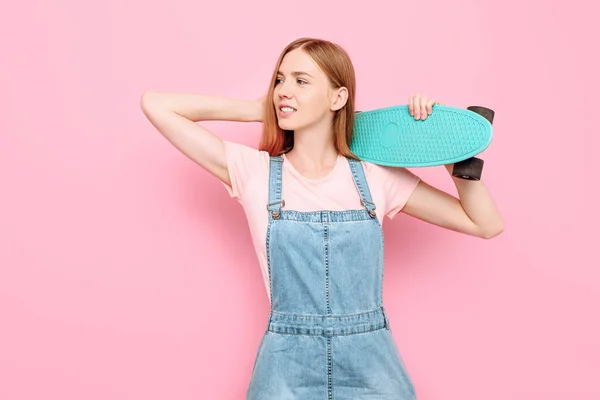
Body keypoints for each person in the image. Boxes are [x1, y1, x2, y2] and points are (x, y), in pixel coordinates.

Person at [141, 37, 503, 399]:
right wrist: (258, 108)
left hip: (372, 368)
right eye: (279, 80)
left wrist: (447, 149)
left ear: (338, 98)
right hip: (285, 369)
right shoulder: (254, 172)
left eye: (301, 81)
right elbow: (156, 105)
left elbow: (484, 224)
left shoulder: (376, 176)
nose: (284, 90)